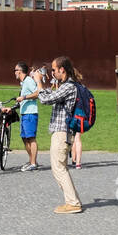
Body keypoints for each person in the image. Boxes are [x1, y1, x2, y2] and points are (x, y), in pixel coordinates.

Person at [36, 56, 83, 214]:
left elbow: (45, 100)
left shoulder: (69, 86)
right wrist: (45, 85)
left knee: (59, 168)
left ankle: (73, 203)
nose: (52, 72)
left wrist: (39, 82)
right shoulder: (67, 85)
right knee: (60, 167)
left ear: (62, 69)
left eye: (54, 70)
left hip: (62, 132)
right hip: (61, 131)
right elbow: (53, 96)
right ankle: (72, 200)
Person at [14, 62, 40, 171]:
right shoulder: (24, 83)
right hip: (24, 113)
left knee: (31, 138)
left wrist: (24, 97)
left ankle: (33, 163)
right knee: (24, 138)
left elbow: (38, 93)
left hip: (30, 113)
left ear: (20, 71)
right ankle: (31, 161)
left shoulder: (29, 81)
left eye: (15, 70)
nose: (14, 72)